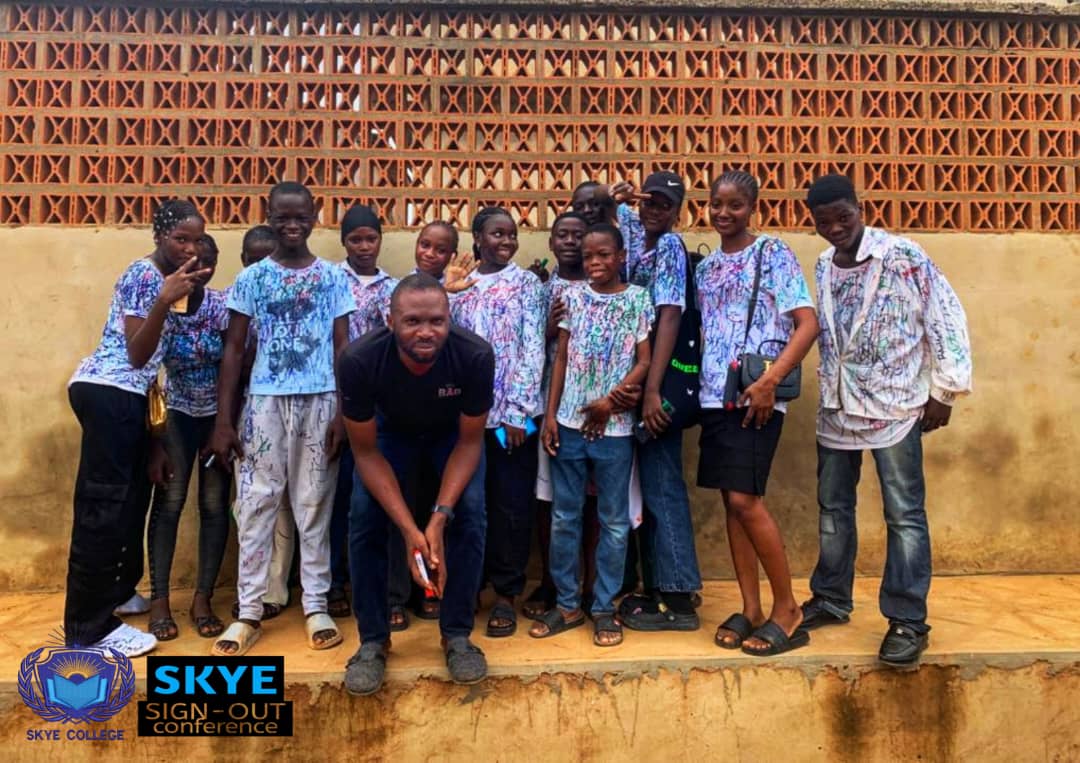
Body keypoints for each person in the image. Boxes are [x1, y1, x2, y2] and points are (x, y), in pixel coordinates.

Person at [801, 174, 973, 666]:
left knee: (904, 515)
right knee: (833, 508)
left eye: (843, 216)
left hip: (895, 405)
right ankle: (832, 597)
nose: (835, 227)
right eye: (823, 221)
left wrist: (945, 390)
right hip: (838, 407)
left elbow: (945, 314)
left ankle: (907, 620)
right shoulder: (822, 265)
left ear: (860, 208)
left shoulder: (903, 255)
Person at [209, 181, 355, 657]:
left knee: (314, 503)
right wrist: (224, 421)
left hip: (321, 400)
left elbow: (342, 347)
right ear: (268, 216)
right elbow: (233, 349)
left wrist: (343, 411)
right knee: (255, 504)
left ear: (316, 216)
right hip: (264, 404)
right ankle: (248, 611)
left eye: (300, 217)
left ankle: (315, 604)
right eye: (281, 217)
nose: (291, 225)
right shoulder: (252, 279)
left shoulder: (333, 277)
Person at [65, 199, 210, 656]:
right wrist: (165, 301)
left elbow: (153, 371)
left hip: (133, 400)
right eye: (179, 239)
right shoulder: (144, 276)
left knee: (130, 501)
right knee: (103, 508)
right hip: (108, 390)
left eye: (196, 240)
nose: (188, 248)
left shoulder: (174, 284)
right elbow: (136, 355)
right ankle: (89, 630)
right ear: (158, 236)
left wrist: (156, 444)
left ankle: (116, 594)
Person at [341, 273, 495, 694]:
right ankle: (372, 642)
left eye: (436, 321)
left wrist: (439, 518)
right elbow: (367, 454)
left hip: (451, 437)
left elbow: (468, 443)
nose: (426, 332)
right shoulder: (359, 359)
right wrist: (413, 533)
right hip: (389, 437)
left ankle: (458, 635)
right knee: (364, 515)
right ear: (390, 321)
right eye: (412, 322)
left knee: (472, 512)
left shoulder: (475, 356)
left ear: (449, 319)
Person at [695, 171, 820, 656]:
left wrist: (770, 381)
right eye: (716, 204)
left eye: (735, 205)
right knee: (732, 502)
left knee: (747, 500)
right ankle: (750, 607)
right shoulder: (705, 269)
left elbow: (807, 325)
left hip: (756, 396)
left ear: (752, 207)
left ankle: (787, 609)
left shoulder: (772, 254)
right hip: (714, 396)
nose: (724, 213)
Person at [534, 224, 653, 647]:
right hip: (568, 425)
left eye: (603, 255)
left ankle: (603, 608)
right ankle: (567, 604)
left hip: (615, 429)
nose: (595, 263)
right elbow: (561, 356)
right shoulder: (574, 298)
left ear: (621, 256)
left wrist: (612, 401)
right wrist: (550, 415)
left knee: (614, 523)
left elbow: (644, 360)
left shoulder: (638, 299)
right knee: (565, 517)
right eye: (588, 257)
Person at [606, 172, 703, 631]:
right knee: (640, 489)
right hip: (634, 384)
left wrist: (651, 392)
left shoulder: (668, 247)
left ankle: (678, 598)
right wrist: (616, 197)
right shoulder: (633, 232)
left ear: (678, 212)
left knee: (662, 484)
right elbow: (599, 208)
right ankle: (658, 584)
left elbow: (669, 316)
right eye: (651, 201)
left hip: (655, 387)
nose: (655, 210)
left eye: (666, 205)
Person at [450, 208, 545, 638]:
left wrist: (519, 412)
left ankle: (507, 594)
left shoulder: (526, 283)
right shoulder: (458, 284)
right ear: (477, 238)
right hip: (465, 421)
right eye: (496, 234)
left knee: (510, 507)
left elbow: (532, 348)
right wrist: (449, 291)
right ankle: (469, 587)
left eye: (511, 234)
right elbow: (441, 340)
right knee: (468, 506)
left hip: (511, 420)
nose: (505, 242)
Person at [145, 233, 231, 641]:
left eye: (208, 262)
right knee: (170, 503)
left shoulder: (221, 307)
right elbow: (146, 369)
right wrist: (156, 437)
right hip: (176, 415)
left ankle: (202, 598)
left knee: (214, 505)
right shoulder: (162, 304)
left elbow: (235, 365)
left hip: (215, 418)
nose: (199, 269)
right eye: (193, 261)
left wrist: (224, 424)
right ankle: (159, 599)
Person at [523, 211, 600, 619]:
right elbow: (524, 342)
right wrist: (550, 330)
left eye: (578, 235)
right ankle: (552, 581)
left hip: (593, 408)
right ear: (551, 243)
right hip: (547, 406)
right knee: (548, 498)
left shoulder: (602, 285)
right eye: (562, 235)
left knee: (592, 499)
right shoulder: (538, 288)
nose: (570, 241)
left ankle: (590, 584)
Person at [328, 205, 399, 619]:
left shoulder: (393, 287)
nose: (364, 247)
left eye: (370, 239)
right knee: (339, 499)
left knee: (381, 497)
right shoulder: (331, 280)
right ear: (344, 242)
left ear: (380, 241)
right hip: (340, 405)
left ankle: (385, 590)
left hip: (381, 408)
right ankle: (337, 583)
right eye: (355, 239)